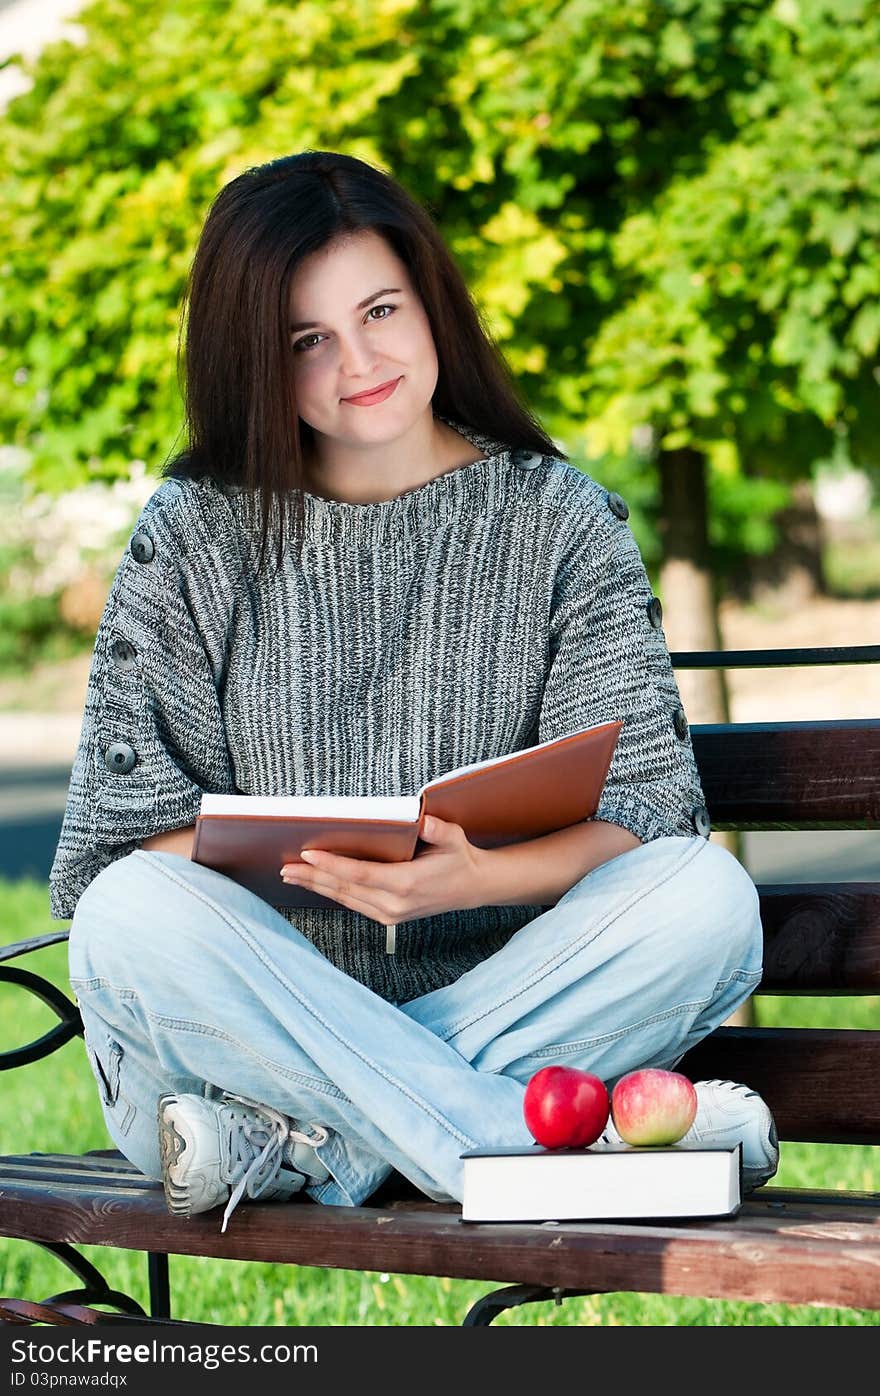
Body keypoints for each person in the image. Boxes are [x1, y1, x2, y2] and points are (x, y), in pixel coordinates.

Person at [50, 150, 778, 1234]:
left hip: (438, 1027)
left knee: (705, 899)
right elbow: (118, 846)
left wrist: (461, 881)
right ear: (255, 357)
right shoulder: (195, 529)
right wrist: (313, 865)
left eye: (380, 310)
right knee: (126, 912)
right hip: (248, 1022)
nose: (360, 361)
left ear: (430, 300)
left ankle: (312, 1147)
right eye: (308, 340)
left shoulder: (558, 520)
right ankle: (522, 1144)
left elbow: (646, 814)